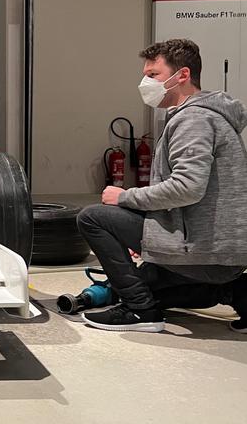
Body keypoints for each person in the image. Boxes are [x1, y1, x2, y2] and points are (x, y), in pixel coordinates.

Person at [76, 39, 247, 333]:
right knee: (151, 284)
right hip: (222, 251)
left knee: (93, 218)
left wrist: (125, 197)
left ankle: (139, 311)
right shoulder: (205, 115)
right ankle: (237, 291)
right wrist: (149, 230)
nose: (145, 82)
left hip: (203, 249)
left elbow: (187, 187)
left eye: (153, 75)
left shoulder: (194, 119)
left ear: (182, 75)